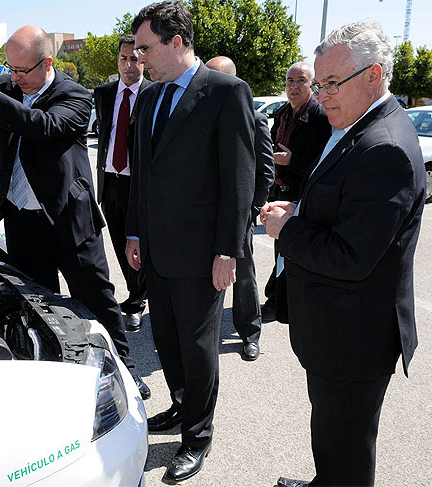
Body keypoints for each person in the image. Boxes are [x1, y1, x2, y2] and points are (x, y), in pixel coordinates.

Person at [0, 25, 150, 399]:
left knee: (98, 303)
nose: (14, 78)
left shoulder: (74, 95)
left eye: (22, 70)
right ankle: (54, 374)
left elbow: (42, 127)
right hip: (22, 222)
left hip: (69, 222)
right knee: (36, 306)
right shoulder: (7, 91)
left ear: (47, 63)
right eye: (9, 69)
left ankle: (126, 371)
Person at [261, 21, 425, 487]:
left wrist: (286, 228)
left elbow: (352, 255)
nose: (323, 94)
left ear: (374, 76)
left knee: (348, 450)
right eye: (320, 82)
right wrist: (301, 208)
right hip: (338, 331)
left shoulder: (385, 146)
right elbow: (346, 208)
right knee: (332, 437)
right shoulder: (360, 126)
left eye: (333, 83)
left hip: (354, 340)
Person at [127, 2, 255, 482]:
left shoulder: (226, 93)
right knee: (167, 339)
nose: (139, 59)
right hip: (156, 248)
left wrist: (228, 250)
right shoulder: (149, 98)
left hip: (203, 253)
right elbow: (143, 173)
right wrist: (134, 230)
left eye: (146, 48)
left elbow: (238, 181)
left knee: (198, 347)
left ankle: (197, 436)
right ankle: (182, 406)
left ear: (177, 42)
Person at [205, 55, 275, 361]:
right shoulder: (199, 114)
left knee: (243, 276)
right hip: (204, 213)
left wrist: (250, 209)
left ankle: (249, 332)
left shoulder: (254, 118)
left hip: (239, 214)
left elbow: (266, 170)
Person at [261, 62, 332, 323]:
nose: (293, 86)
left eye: (300, 81)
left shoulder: (321, 117)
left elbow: (325, 160)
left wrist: (292, 161)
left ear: (312, 85)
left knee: (291, 249)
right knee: (281, 249)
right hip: (280, 191)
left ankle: (279, 301)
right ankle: (278, 298)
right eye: (290, 81)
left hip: (304, 195)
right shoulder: (281, 113)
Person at [94, 35, 151, 332]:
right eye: (123, 59)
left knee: (137, 243)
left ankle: (136, 302)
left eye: (134, 58)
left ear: (143, 59)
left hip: (138, 184)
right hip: (110, 181)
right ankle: (136, 291)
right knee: (119, 243)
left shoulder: (154, 94)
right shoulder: (103, 94)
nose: (128, 65)